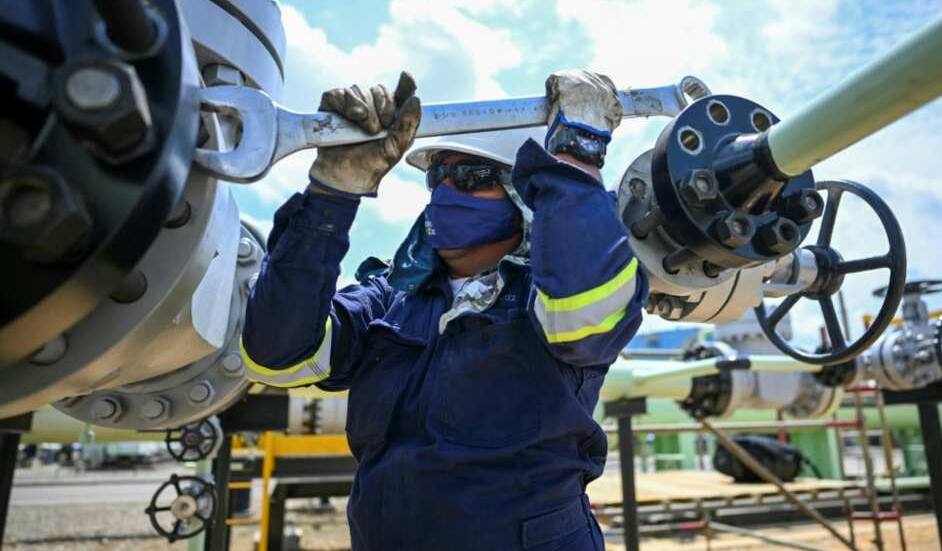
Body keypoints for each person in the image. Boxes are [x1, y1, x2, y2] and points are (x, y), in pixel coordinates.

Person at [241, 70, 648, 550]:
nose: (447, 192)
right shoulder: (391, 297)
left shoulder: (551, 299)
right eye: (440, 177)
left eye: (473, 178)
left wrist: (576, 158)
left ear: (526, 198)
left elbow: (589, 314)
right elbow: (275, 353)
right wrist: (332, 194)